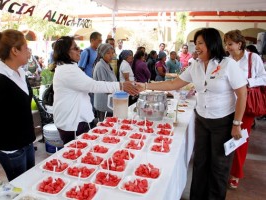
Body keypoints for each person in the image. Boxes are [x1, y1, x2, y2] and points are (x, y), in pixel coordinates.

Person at [137, 28, 247, 200]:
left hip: (223, 121)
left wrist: (237, 123)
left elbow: (242, 93)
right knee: (201, 162)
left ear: (212, 43)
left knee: (219, 166)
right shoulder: (195, 66)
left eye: (201, 43)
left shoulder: (227, 64)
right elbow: (173, 84)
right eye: (196, 44)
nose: (197, 47)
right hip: (202, 120)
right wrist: (145, 86)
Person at [52, 36, 138, 144]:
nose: (79, 50)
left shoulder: (70, 67)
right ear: (65, 52)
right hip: (73, 122)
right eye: (75, 48)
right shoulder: (68, 70)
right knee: (76, 154)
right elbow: (94, 85)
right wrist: (121, 86)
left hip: (75, 120)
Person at [0, 28, 35, 181]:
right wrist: (7, 146)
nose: (29, 51)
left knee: (30, 183)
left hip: (26, 142)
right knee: (19, 188)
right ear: (14, 51)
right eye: (26, 48)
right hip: (12, 149)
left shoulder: (20, 73)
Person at [224, 29, 266, 189]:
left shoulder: (252, 58)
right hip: (227, 104)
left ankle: (236, 174)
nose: (227, 47)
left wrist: (247, 81)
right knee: (226, 138)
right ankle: (226, 169)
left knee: (240, 140)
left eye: (230, 44)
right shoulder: (226, 60)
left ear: (239, 44)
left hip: (245, 106)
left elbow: (264, 77)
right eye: (226, 44)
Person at [93, 43, 117, 121]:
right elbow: (103, 86)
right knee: (103, 123)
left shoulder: (107, 64)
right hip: (103, 101)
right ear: (102, 54)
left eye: (112, 53)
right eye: (108, 53)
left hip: (109, 100)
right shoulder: (100, 66)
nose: (111, 55)